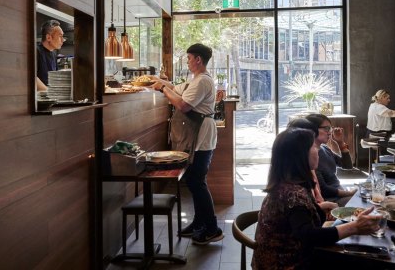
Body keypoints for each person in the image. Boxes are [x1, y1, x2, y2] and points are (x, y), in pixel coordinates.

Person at [251, 128, 381, 269]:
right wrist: (355, 227)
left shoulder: (287, 183)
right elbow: (309, 236)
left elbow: (293, 218)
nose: (317, 150)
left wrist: (319, 207)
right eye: (313, 146)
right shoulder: (292, 194)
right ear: (299, 156)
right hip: (286, 264)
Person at [151, 43, 223, 245]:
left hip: (201, 137)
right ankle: (199, 223)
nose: (188, 62)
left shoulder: (202, 81)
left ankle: (212, 228)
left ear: (198, 59)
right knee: (193, 181)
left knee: (196, 181)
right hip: (197, 136)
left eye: (189, 58)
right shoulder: (196, 80)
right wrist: (160, 81)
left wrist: (164, 88)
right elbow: (177, 89)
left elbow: (182, 104)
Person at [306, 114, 357, 206]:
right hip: (330, 200)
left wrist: (340, 143)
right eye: (326, 129)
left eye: (330, 128)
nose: (330, 132)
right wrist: (349, 193)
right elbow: (324, 189)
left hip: (340, 193)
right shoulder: (310, 156)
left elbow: (347, 166)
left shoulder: (324, 148)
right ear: (312, 129)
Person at [36, 20, 66, 92]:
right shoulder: (36, 51)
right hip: (39, 99)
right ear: (49, 37)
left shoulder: (53, 54)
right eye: (60, 36)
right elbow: (31, 77)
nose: (63, 40)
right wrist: (50, 93)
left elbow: (55, 78)